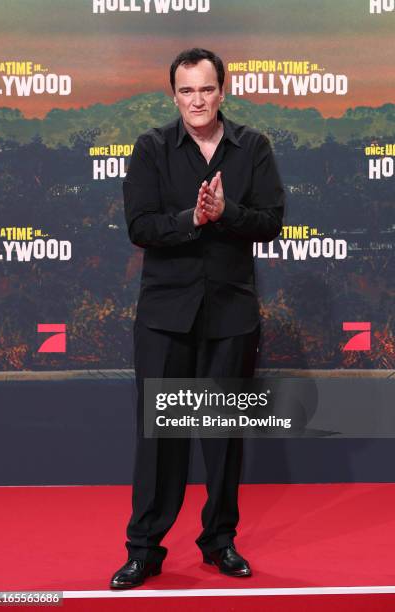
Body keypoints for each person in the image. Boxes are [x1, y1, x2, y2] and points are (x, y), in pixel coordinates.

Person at [110, 47, 285, 589]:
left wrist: (226, 213)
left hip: (231, 315)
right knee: (159, 438)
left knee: (223, 438)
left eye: (206, 89)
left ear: (222, 91)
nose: (197, 100)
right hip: (165, 316)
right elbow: (141, 225)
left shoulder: (252, 146)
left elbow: (271, 221)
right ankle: (144, 549)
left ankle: (219, 542)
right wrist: (193, 217)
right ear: (174, 95)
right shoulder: (151, 148)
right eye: (187, 91)